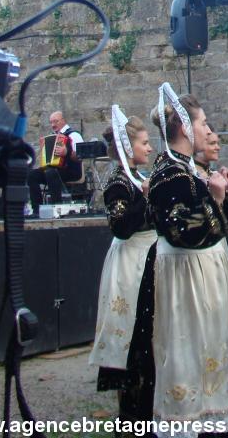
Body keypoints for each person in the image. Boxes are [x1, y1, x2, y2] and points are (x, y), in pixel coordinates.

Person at [118, 85, 228, 437]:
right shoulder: (169, 173)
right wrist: (215, 200)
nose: (208, 129)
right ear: (186, 128)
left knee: (206, 353)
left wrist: (223, 193)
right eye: (202, 123)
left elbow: (223, 226)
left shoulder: (187, 169)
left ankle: (204, 414)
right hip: (183, 278)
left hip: (200, 274)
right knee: (183, 354)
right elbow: (183, 231)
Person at [90, 107, 157, 389]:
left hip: (146, 257)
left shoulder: (136, 177)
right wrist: (144, 198)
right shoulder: (119, 182)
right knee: (128, 326)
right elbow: (120, 225)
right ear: (129, 147)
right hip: (131, 261)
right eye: (144, 143)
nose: (150, 148)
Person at [27, 110, 83, 216]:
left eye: (55, 121)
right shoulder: (52, 137)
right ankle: (37, 209)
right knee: (32, 175)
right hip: (54, 171)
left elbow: (80, 155)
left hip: (72, 171)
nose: (53, 125)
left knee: (51, 173)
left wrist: (67, 152)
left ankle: (56, 207)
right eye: (51, 122)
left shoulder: (74, 135)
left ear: (63, 120)